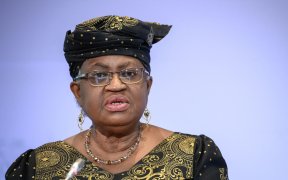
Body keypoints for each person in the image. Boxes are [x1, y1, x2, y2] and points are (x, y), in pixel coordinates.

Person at [5, 15, 228, 180]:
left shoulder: (194, 155)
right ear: (77, 91)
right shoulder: (37, 166)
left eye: (129, 73)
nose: (116, 85)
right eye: (100, 75)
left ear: (147, 86)